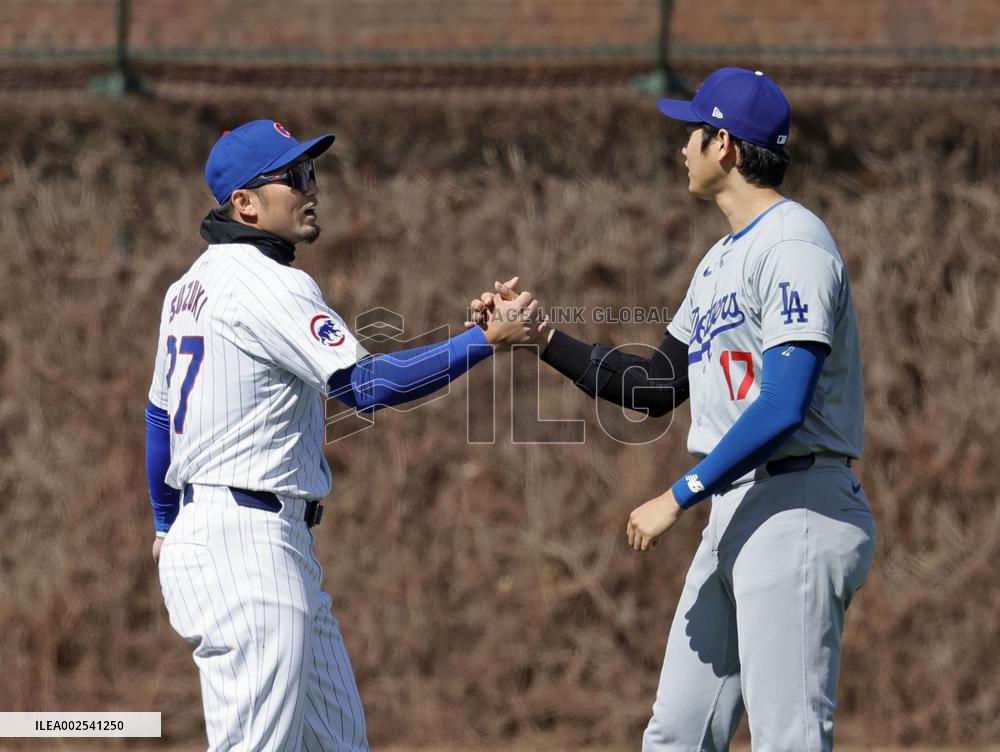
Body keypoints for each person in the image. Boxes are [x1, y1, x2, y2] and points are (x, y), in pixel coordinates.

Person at [473, 68, 876, 751]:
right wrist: (541, 337)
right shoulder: (721, 260)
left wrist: (680, 494)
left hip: (798, 502)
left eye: (692, 130)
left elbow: (782, 404)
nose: (679, 146)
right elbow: (654, 385)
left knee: (791, 739)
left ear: (726, 146)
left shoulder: (794, 245)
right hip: (738, 507)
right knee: (676, 736)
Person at [145, 119, 540, 751]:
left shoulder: (187, 287)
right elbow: (367, 386)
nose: (312, 187)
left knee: (338, 742)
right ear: (244, 204)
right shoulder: (267, 282)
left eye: (312, 172)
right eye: (294, 176)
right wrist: (484, 341)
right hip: (245, 547)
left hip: (253, 540)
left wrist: (166, 521)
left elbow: (159, 417)